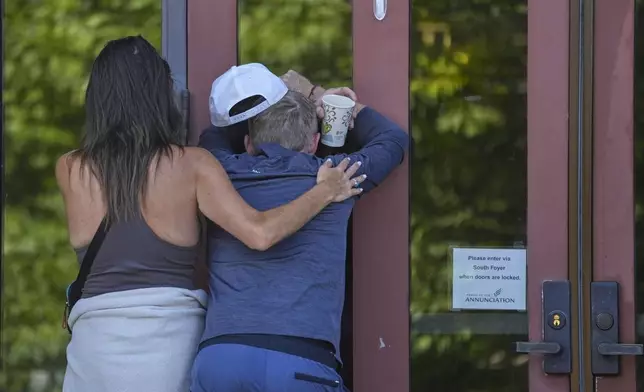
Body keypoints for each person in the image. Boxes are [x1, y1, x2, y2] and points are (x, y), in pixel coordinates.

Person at [57, 37, 365, 392]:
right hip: (168, 360)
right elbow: (260, 234)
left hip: (93, 360)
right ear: (159, 97)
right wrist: (324, 189)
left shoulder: (69, 169)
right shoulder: (192, 166)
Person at [191, 64, 409, 391]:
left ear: (248, 142)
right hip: (300, 361)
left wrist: (277, 93)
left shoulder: (220, 172)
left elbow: (216, 131)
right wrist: (320, 96)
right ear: (314, 142)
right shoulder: (337, 177)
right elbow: (392, 139)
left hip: (223, 357)